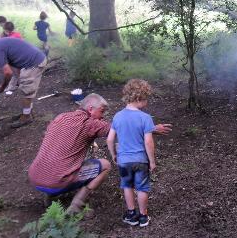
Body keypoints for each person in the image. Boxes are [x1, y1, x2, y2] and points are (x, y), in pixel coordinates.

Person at [28, 94, 112, 214]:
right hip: (56, 182)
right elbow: (116, 129)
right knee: (105, 165)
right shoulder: (89, 124)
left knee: (58, 158)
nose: (102, 116)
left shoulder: (61, 117)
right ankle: (77, 206)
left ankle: (51, 199)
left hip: (35, 176)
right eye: (101, 111)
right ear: (90, 109)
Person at [107, 79, 160, 227]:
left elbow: (110, 139)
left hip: (123, 160)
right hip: (140, 160)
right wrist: (152, 161)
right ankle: (143, 216)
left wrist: (113, 155)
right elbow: (148, 143)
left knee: (127, 186)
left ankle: (131, 214)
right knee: (142, 187)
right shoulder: (145, 118)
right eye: (145, 99)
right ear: (138, 98)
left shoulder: (117, 116)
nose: (147, 102)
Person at [0, 38, 46, 128]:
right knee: (25, 88)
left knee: (27, 92)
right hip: (34, 58)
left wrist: (3, 86)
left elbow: (8, 72)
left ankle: (26, 117)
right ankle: (27, 112)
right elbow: (13, 59)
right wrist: (19, 76)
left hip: (33, 62)